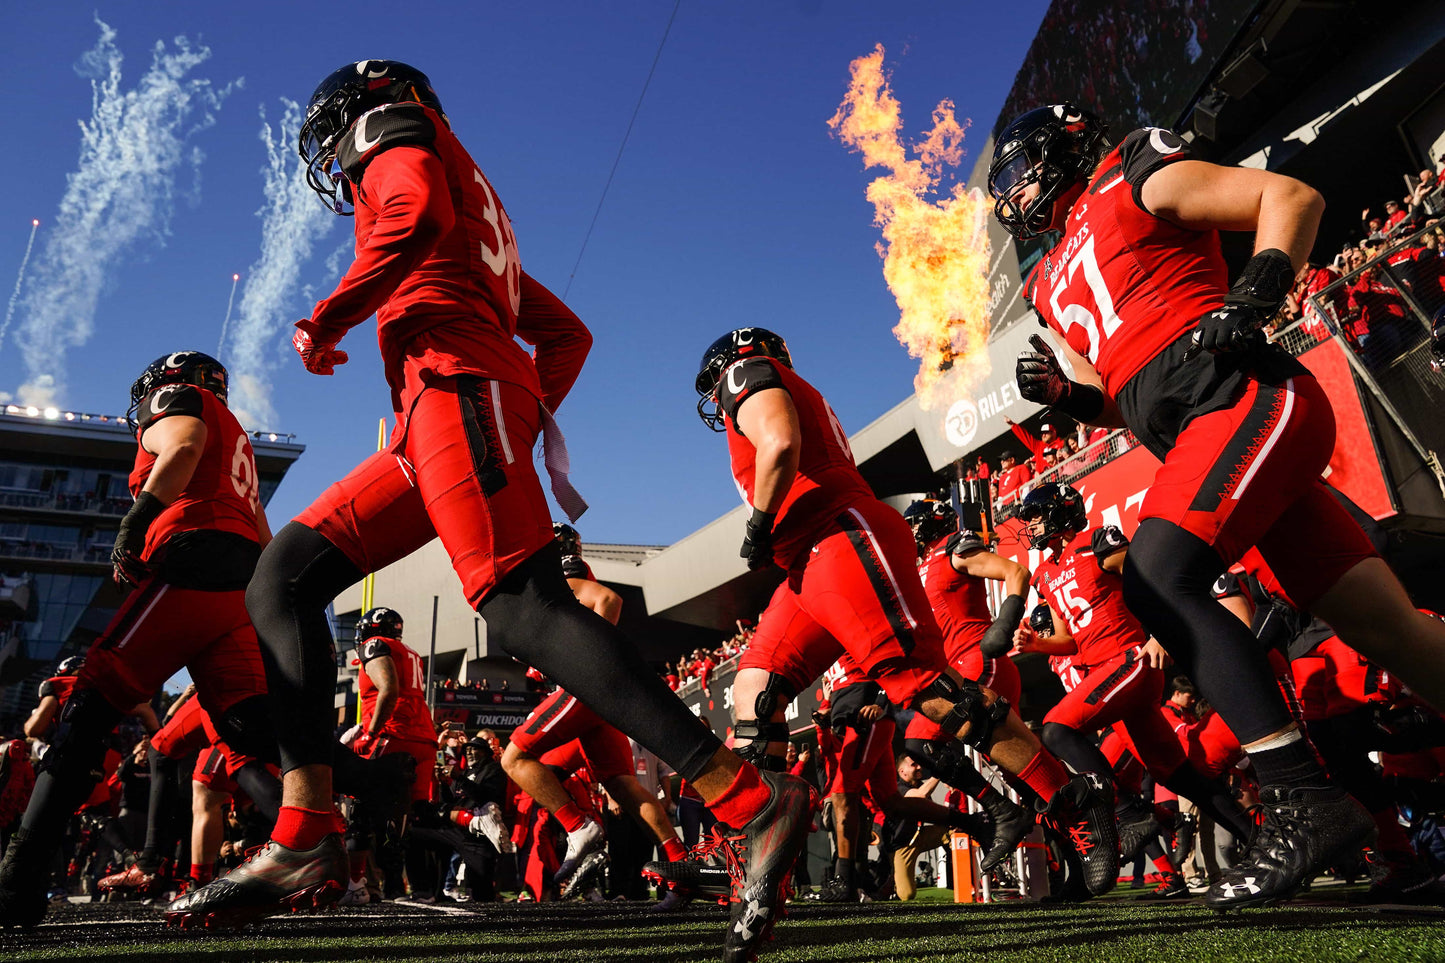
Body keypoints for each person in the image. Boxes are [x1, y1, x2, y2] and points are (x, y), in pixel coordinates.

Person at [178, 62, 809, 962]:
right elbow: (566, 333)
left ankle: (746, 795)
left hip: (454, 390)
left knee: (518, 605)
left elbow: (410, 215)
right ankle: (305, 828)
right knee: (281, 577)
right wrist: (517, 407)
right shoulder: (479, 200)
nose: (336, 156)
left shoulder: (396, 134)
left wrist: (331, 316)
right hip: (443, 413)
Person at [989, 101, 1445, 908]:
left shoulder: (1129, 174)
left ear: (1062, 149)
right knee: (1391, 632)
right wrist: (1068, 396)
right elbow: (1124, 392)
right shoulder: (1047, 278)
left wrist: (1254, 296)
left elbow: (1289, 199)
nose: (1016, 192)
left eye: (1021, 167)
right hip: (1199, 421)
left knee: (1157, 579)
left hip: (1240, 396)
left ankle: (1301, 801)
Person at [682, 326, 1117, 899]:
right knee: (755, 690)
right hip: (808, 559)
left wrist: (759, 526)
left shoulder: (748, 375)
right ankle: (744, 846)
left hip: (835, 536)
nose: (717, 395)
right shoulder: (774, 382)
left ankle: (1073, 801)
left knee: (927, 690)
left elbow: (780, 443)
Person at [0, 352, 283, 929]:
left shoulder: (182, 402)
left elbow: (180, 446)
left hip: (195, 557)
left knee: (89, 703)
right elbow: (260, 527)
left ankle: (18, 880)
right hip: (240, 578)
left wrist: (136, 521)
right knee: (248, 732)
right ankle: (347, 800)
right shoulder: (241, 443)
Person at [338, 607, 437, 906]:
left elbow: (389, 689)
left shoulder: (376, 645)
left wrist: (371, 731)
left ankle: (356, 883)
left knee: (361, 810)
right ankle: (414, 887)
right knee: (409, 816)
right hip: (423, 738)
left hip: (393, 735)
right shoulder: (410, 652)